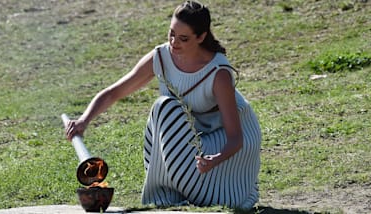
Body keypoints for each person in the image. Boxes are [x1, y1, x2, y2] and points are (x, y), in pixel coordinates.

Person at [65, 0, 261, 210]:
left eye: (183, 38)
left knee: (166, 109)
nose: (174, 42)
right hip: (193, 140)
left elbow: (235, 138)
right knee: (163, 110)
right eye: (171, 34)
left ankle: (196, 190)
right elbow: (114, 92)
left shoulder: (219, 72)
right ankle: (166, 193)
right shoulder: (161, 56)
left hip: (226, 146)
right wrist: (84, 120)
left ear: (201, 37)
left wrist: (215, 159)